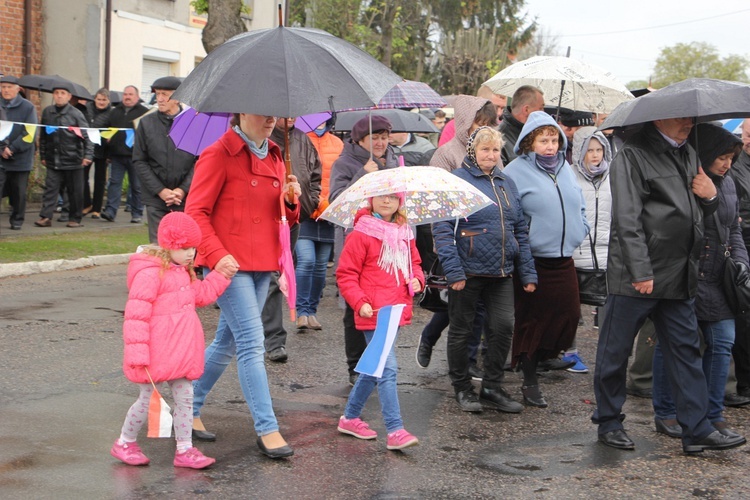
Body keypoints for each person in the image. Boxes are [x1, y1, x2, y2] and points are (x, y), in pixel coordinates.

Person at [592, 116, 746, 454]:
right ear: (659, 118)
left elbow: (699, 212)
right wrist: (641, 270)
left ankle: (696, 429)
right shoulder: (632, 155)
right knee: (614, 352)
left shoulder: (688, 153)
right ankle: (609, 421)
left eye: (691, 119)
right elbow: (627, 218)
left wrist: (710, 199)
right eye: (681, 118)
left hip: (679, 273)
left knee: (686, 352)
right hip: (638, 275)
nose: (688, 123)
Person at [185, 113, 300, 459]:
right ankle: (267, 428)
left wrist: (292, 201)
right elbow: (196, 212)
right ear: (242, 112)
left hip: (263, 263)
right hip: (229, 266)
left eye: (274, 114)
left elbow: (279, 218)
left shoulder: (277, 155)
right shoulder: (218, 153)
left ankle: (185, 407)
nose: (270, 119)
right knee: (253, 342)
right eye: (262, 112)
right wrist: (216, 256)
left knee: (226, 343)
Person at [110, 211, 233, 469]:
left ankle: (185, 449)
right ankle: (125, 442)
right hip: (154, 352)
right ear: (169, 246)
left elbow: (199, 295)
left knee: (185, 398)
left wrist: (220, 276)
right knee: (146, 400)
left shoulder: (182, 271)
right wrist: (138, 355)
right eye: (185, 247)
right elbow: (136, 316)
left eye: (194, 248)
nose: (191, 253)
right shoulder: (150, 274)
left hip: (180, 349)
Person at [651, 123, 748, 439]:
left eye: (731, 157)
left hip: (720, 277)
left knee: (722, 343)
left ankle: (712, 414)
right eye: (721, 157)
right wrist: (710, 197)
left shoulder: (728, 181)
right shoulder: (687, 179)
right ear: (705, 154)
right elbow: (682, 223)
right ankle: (666, 412)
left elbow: (733, 228)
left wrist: (743, 262)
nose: (727, 163)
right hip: (688, 273)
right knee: (675, 345)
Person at [433, 127, 536, 413]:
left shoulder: (507, 183)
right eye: (484, 149)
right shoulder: (457, 181)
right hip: (467, 271)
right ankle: (463, 388)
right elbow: (442, 228)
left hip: (502, 271)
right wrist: (453, 272)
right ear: (472, 151)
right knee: (462, 331)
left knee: (503, 327)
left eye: (494, 150)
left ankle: (492, 385)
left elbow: (520, 230)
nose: (490, 155)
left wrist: (527, 273)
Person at [503, 111, 589, 408]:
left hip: (564, 256)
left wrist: (582, 228)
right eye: (543, 140)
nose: (550, 145)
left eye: (554, 139)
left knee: (570, 314)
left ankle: (541, 358)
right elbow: (510, 215)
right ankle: (529, 380)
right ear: (529, 142)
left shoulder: (566, 167)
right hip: (532, 259)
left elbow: (579, 203)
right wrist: (525, 240)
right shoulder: (515, 171)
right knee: (532, 321)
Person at [419, 95, 500, 379]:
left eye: (489, 124)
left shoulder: (491, 153)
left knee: (477, 306)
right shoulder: (446, 155)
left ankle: (468, 359)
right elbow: (433, 198)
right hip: (453, 237)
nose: (483, 129)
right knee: (455, 302)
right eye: (479, 122)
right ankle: (430, 337)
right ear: (466, 122)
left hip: (483, 239)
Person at [335, 191, 424, 450]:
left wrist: (418, 279)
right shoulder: (361, 234)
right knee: (387, 367)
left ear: (400, 203)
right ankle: (395, 429)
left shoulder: (404, 234)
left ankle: (350, 417)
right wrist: (360, 302)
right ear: (371, 200)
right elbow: (345, 273)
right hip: (373, 310)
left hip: (395, 308)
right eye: (382, 197)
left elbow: (415, 264)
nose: (387, 202)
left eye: (393, 198)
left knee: (375, 365)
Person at [330, 115, 398, 386]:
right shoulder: (345, 163)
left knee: (383, 302)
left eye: (384, 137)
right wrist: (363, 175)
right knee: (355, 305)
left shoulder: (393, 160)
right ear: (360, 140)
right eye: (375, 138)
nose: (381, 143)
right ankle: (355, 367)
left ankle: (377, 360)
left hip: (388, 242)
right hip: (356, 240)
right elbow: (336, 201)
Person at [262, 117, 321, 361]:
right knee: (271, 277)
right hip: (266, 218)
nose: (290, 117)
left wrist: (311, 200)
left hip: (294, 216)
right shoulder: (262, 138)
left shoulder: (303, 139)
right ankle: (274, 340)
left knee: (282, 273)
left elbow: (315, 173)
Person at [567, 126, 613, 373]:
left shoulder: (613, 176)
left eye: (599, 149)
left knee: (608, 308)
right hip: (577, 253)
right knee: (572, 309)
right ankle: (569, 352)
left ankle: (608, 356)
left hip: (607, 254)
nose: (595, 155)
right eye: (590, 150)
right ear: (579, 152)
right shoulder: (569, 176)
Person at [133, 76, 197, 244]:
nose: (159, 99)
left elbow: (199, 161)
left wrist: (182, 190)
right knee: (160, 247)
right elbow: (139, 160)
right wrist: (161, 191)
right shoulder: (146, 123)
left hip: (185, 198)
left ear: (178, 97)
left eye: (165, 94)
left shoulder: (193, 123)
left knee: (184, 246)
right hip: (156, 198)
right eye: (157, 94)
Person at [300, 118, 343, 333]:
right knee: (306, 261)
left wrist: (329, 205)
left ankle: (311, 311)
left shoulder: (337, 143)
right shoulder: (298, 140)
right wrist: (314, 203)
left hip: (329, 213)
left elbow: (338, 179)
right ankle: (301, 311)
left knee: (319, 267)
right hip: (305, 211)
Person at [35, 83, 93, 228]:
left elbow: (87, 136)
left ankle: (75, 218)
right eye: (56, 93)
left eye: (62, 93)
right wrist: (43, 155)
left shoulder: (76, 114)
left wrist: (88, 155)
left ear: (69, 96)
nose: (59, 96)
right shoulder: (48, 112)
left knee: (75, 192)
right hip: (53, 158)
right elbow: (43, 136)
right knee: (50, 189)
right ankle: (45, 216)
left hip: (74, 159)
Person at [101, 85, 149, 223]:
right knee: (114, 183)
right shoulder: (114, 112)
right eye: (125, 94)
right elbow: (106, 129)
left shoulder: (144, 113)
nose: (127, 97)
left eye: (130, 94)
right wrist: (107, 140)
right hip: (117, 155)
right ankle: (110, 211)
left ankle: (137, 213)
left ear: (137, 96)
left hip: (137, 156)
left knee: (137, 186)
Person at [728, 119, 750, 402]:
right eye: (748, 135)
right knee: (744, 315)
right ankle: (744, 380)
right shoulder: (735, 168)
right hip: (744, 242)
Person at [0, 75, 37, 230]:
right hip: (1, 157)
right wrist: (2, 148)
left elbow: (30, 134)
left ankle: (17, 220)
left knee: (18, 192)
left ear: (17, 89)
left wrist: (13, 148)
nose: (6, 90)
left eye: (9, 87)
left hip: (21, 158)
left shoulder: (28, 108)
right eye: (3, 87)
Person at [498, 86, 545, 165]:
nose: (543, 112)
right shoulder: (499, 138)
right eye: (541, 108)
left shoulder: (538, 133)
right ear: (526, 109)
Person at [84, 88, 112, 219]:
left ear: (108, 101)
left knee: (100, 180)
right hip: (86, 148)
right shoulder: (87, 109)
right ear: (94, 99)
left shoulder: (111, 113)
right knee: (82, 178)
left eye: (104, 100)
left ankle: (97, 208)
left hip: (103, 149)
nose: (101, 102)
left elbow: (114, 131)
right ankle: (86, 204)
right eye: (99, 99)